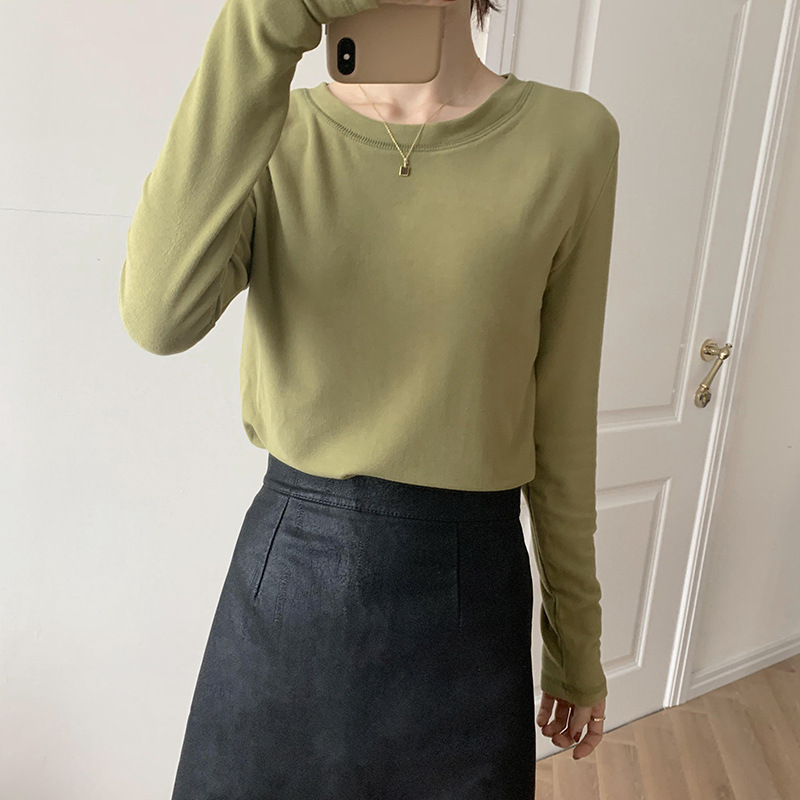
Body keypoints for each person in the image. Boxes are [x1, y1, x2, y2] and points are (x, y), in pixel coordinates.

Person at [119, 0, 618, 795]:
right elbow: (158, 315)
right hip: (289, 584)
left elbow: (562, 417)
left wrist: (576, 639)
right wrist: (267, 17)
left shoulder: (571, 138)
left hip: (468, 597)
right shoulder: (275, 130)